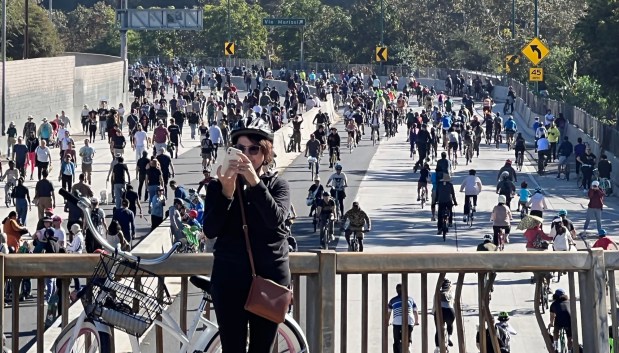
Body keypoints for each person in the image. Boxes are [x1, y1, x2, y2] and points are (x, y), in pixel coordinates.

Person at [202, 120, 291, 352]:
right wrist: (226, 193)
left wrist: (254, 182)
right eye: (240, 149)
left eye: (254, 149)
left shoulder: (278, 186)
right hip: (229, 280)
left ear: (266, 153)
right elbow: (210, 230)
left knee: (261, 349)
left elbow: (275, 221)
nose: (246, 155)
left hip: (269, 280)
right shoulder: (217, 187)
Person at [386, 283, 419, 353]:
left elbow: (388, 313)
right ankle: (409, 345)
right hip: (409, 321)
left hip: (397, 322)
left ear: (396, 291)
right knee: (408, 335)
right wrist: (416, 321)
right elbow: (415, 311)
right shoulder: (410, 299)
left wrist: (387, 322)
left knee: (396, 340)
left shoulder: (392, 300)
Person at [433, 278, 455, 352]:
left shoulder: (438, 293)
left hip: (440, 311)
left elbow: (434, 305)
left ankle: (437, 347)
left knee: (438, 329)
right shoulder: (451, 293)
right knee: (450, 324)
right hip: (450, 311)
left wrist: (433, 312)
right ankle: (449, 337)